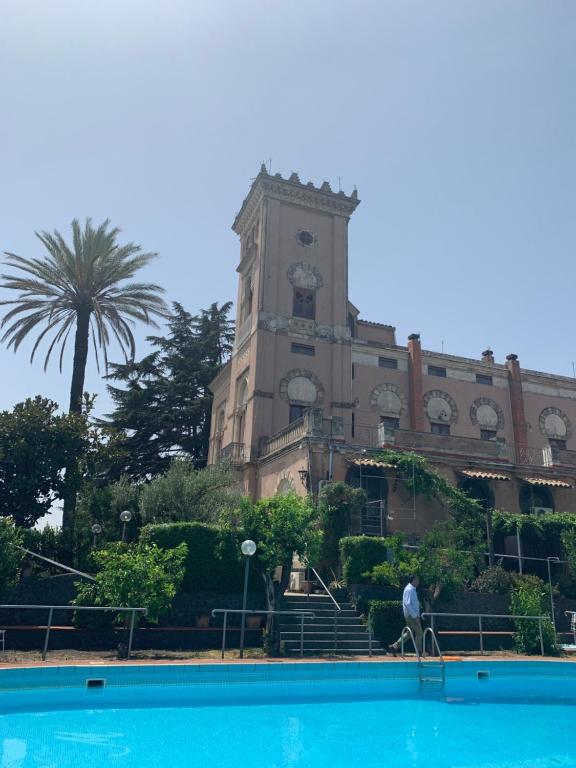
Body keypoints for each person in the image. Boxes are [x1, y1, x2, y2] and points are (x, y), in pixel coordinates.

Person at [388, 574, 423, 655]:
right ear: (413, 580)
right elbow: (407, 603)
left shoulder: (411, 589)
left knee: (409, 633)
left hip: (410, 615)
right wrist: (415, 616)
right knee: (419, 633)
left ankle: (395, 646)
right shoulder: (409, 589)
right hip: (412, 616)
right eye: (417, 579)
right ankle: (419, 652)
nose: (418, 581)